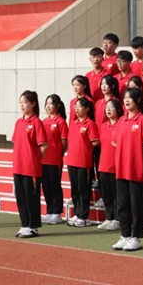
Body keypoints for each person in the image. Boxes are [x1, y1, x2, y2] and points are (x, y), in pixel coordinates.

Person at [112, 88, 143, 251]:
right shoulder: (122, 120)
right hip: (121, 169)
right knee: (122, 204)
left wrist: (136, 151)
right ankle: (125, 235)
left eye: (130, 98)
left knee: (136, 205)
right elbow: (114, 142)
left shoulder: (142, 120)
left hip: (136, 170)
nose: (126, 100)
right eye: (125, 97)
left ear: (138, 100)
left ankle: (136, 237)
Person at [12, 90, 47, 238]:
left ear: (33, 104)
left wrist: (34, 160)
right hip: (18, 166)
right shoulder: (19, 122)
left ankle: (33, 227)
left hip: (31, 168)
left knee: (31, 198)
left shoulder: (37, 122)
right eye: (20, 102)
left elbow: (43, 146)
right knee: (20, 197)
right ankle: (24, 224)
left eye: (25, 102)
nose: (22, 105)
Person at [66, 97, 100, 228]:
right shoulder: (73, 124)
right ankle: (77, 213)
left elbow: (95, 142)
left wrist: (85, 146)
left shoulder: (90, 124)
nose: (77, 109)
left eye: (79, 106)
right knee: (75, 190)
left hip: (84, 162)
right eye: (75, 106)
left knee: (83, 190)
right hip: (72, 161)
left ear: (87, 109)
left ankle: (84, 216)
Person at [40, 94, 69, 225]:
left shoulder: (61, 121)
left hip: (55, 159)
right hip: (43, 159)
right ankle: (50, 211)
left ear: (57, 106)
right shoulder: (44, 121)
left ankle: (57, 213)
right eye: (47, 103)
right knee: (46, 186)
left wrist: (59, 155)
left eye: (51, 103)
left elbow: (64, 142)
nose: (48, 106)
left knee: (55, 185)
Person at [96, 99, 123, 231]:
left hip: (117, 165)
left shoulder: (121, 125)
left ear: (118, 110)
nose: (108, 109)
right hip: (103, 164)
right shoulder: (103, 126)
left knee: (117, 194)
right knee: (106, 194)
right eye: (106, 107)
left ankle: (118, 219)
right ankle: (109, 217)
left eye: (111, 107)